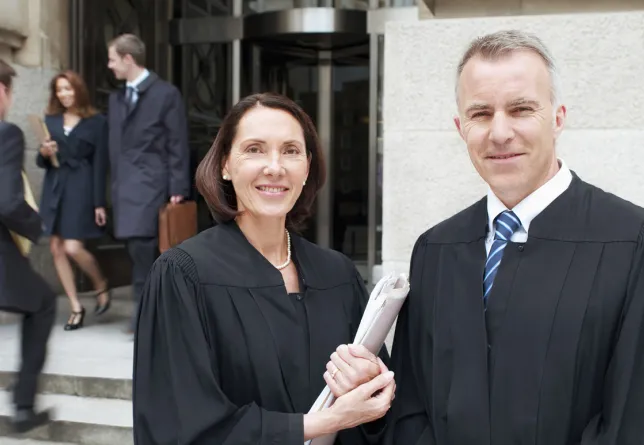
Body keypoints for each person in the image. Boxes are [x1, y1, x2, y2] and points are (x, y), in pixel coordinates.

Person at [383, 30, 644, 445]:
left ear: (558, 117)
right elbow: (413, 409)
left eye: (521, 109)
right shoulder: (436, 250)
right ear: (460, 126)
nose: (500, 132)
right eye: (481, 113)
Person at [132, 92, 396, 444]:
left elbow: (384, 416)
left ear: (307, 168)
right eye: (254, 149)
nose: (275, 166)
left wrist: (373, 387)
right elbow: (179, 422)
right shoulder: (183, 275)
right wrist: (324, 421)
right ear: (226, 164)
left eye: (290, 150)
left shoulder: (337, 274)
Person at [106, 33, 190, 333]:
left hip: (151, 186)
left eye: (112, 59)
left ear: (128, 59)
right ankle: (151, 312)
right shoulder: (115, 99)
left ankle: (145, 313)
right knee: (136, 247)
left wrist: (177, 187)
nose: (109, 65)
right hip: (123, 188)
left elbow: (177, 143)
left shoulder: (166, 94)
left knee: (144, 247)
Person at [0, 59, 56, 433]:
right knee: (44, 303)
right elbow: (6, 202)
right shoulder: (5, 133)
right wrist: (39, 227)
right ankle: (23, 406)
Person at [37, 70, 111, 330]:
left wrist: (98, 202)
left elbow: (101, 163)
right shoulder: (51, 119)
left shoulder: (97, 121)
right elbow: (41, 162)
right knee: (56, 248)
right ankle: (75, 307)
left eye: (68, 88)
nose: (64, 94)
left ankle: (100, 282)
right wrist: (45, 153)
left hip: (81, 186)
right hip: (55, 186)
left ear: (77, 89)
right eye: (59, 90)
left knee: (72, 247)